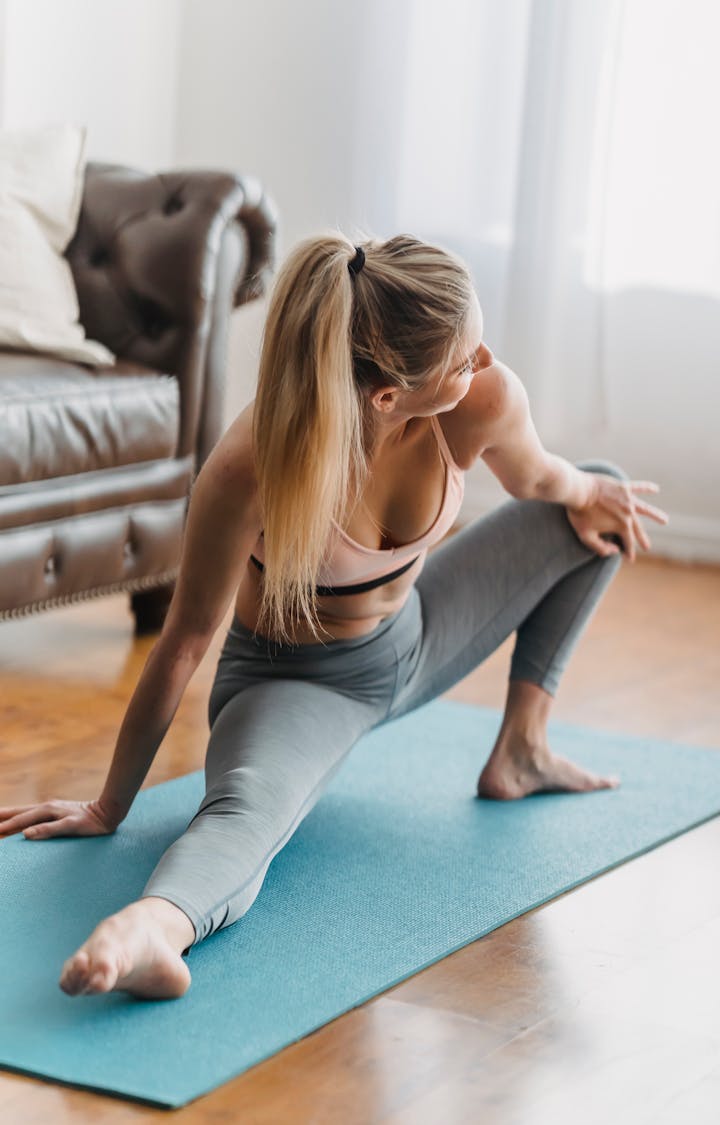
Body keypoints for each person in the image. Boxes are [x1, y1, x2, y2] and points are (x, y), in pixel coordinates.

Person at [0, 233, 668, 1000]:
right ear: (389, 395)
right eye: (465, 357)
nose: (483, 364)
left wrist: (592, 492)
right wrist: (109, 805)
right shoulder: (253, 466)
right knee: (244, 813)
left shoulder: (482, 397)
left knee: (604, 498)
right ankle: (152, 928)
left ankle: (522, 749)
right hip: (296, 682)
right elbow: (184, 643)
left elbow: (545, 477)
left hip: (415, 634)